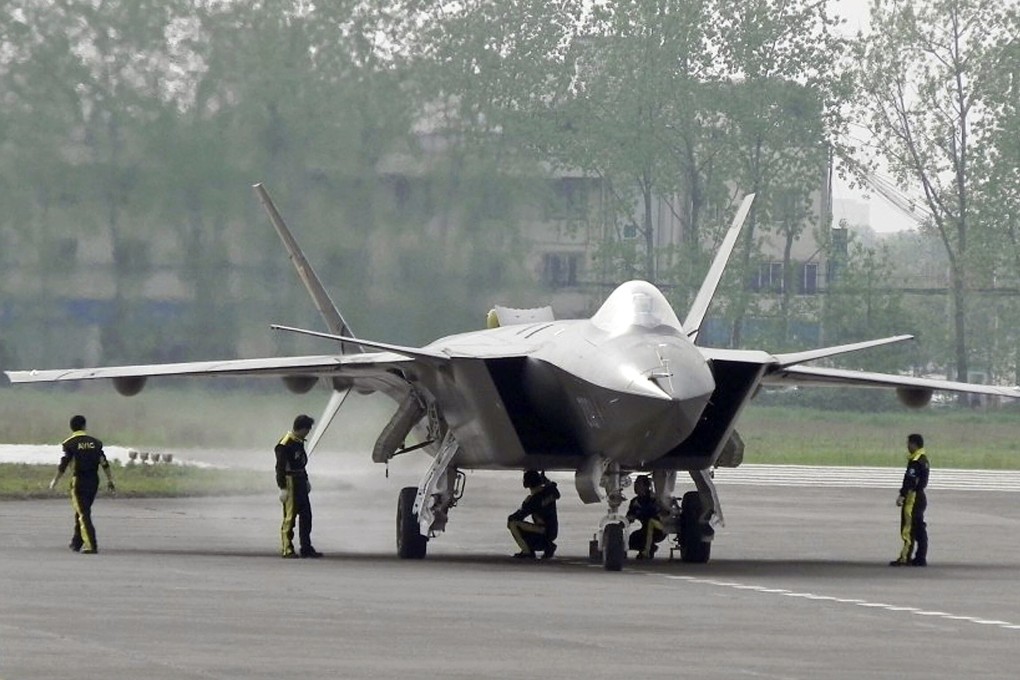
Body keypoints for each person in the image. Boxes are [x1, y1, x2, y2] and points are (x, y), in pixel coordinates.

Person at [49, 415, 115, 554]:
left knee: (83, 513)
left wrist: (55, 481)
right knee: (82, 510)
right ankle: (76, 542)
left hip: (79, 481)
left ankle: (91, 544)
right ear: (84, 426)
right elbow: (104, 462)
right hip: (93, 481)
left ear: (71, 427)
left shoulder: (69, 444)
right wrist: (110, 480)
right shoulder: (95, 443)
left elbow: (64, 464)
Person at [275, 414, 322, 558]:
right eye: (307, 430)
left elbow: (300, 463)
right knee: (290, 518)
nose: (308, 433)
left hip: (300, 480)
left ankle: (306, 547)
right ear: (302, 429)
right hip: (290, 482)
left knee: (306, 516)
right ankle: (287, 548)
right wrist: (282, 487)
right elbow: (280, 467)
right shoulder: (285, 443)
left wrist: (305, 479)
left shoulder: (298, 441)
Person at [890, 433, 929, 567]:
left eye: (909, 443)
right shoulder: (923, 459)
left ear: (914, 444)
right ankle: (920, 557)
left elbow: (910, 480)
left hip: (913, 498)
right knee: (919, 528)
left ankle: (905, 557)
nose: (907, 446)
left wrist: (902, 495)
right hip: (920, 496)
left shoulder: (916, 461)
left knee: (908, 529)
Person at [507, 469, 560, 559]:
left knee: (512, 523)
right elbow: (556, 492)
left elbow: (519, 516)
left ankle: (527, 551)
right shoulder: (549, 492)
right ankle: (547, 545)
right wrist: (547, 482)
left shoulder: (534, 500)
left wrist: (524, 504)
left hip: (543, 531)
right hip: (552, 531)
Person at [626, 475, 666, 559]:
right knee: (632, 540)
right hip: (645, 529)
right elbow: (629, 516)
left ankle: (647, 551)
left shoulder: (654, 499)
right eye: (636, 484)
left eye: (639, 485)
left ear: (646, 487)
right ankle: (649, 547)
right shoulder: (635, 501)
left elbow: (661, 511)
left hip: (659, 528)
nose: (636, 487)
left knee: (650, 522)